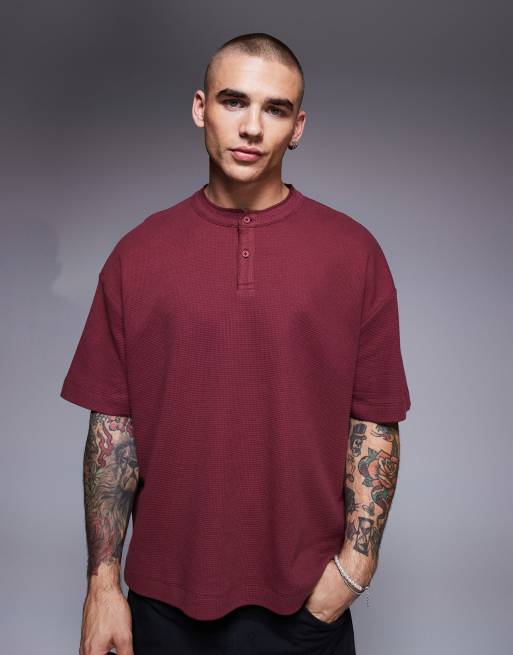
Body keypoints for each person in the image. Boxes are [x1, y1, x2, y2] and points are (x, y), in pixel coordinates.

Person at [60, 32, 411, 655]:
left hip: (307, 610)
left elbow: (374, 423)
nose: (251, 126)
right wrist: (103, 585)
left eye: (275, 109)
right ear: (201, 108)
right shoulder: (137, 254)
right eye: (233, 101)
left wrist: (354, 570)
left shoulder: (353, 253)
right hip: (161, 606)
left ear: (297, 127)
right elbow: (113, 431)